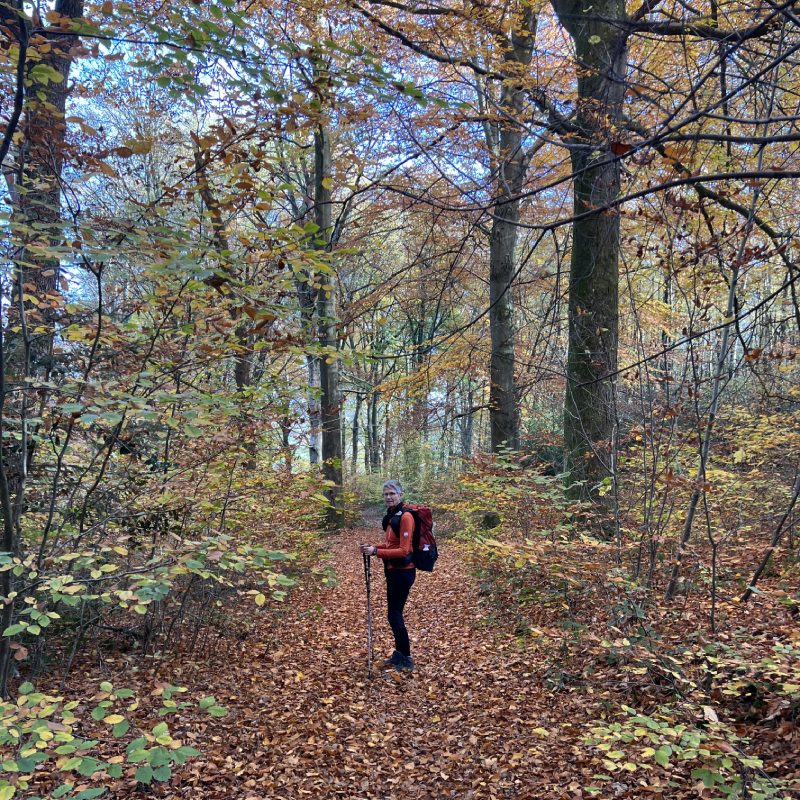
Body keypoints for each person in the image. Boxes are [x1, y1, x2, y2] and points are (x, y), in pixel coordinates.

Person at [360, 479, 416, 672]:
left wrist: (377, 552)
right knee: (393, 614)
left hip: (403, 572)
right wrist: (373, 548)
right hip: (393, 571)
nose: (389, 497)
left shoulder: (406, 517)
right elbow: (391, 545)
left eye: (392, 493)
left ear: (401, 495)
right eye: (386, 494)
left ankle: (406, 659)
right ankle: (399, 655)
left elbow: (404, 550)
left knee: (394, 615)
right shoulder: (392, 515)